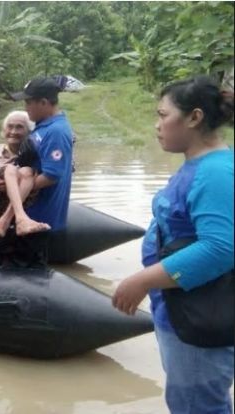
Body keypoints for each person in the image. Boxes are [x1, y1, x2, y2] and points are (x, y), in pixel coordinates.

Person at [112, 76, 234, 413]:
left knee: (197, 405)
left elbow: (221, 248)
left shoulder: (216, 173)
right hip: (182, 309)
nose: (157, 125)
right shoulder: (198, 166)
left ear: (194, 117)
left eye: (163, 115)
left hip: (200, 317)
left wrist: (142, 280)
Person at [0, 77, 74, 267]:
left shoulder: (56, 131)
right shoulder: (42, 126)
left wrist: (15, 189)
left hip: (39, 218)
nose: (26, 107)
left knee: (22, 269)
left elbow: (51, 175)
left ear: (44, 102)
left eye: (28, 102)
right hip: (28, 212)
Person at [0, 110, 49, 237]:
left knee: (25, 170)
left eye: (19, 127)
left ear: (29, 132)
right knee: (11, 169)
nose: (13, 132)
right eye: (10, 127)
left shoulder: (35, 154)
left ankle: (14, 219)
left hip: (23, 206)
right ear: (4, 130)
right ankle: (16, 219)